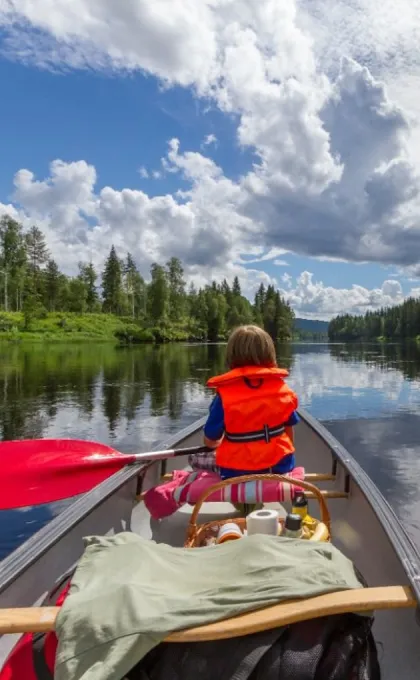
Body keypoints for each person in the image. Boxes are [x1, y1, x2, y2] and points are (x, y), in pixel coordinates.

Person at [203, 324, 299, 480]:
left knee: (197, 460)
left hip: (235, 473)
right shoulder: (281, 390)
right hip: (279, 468)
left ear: (231, 356)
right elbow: (288, 432)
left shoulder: (224, 395)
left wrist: (222, 442)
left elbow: (210, 441)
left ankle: (242, 502)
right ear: (270, 354)